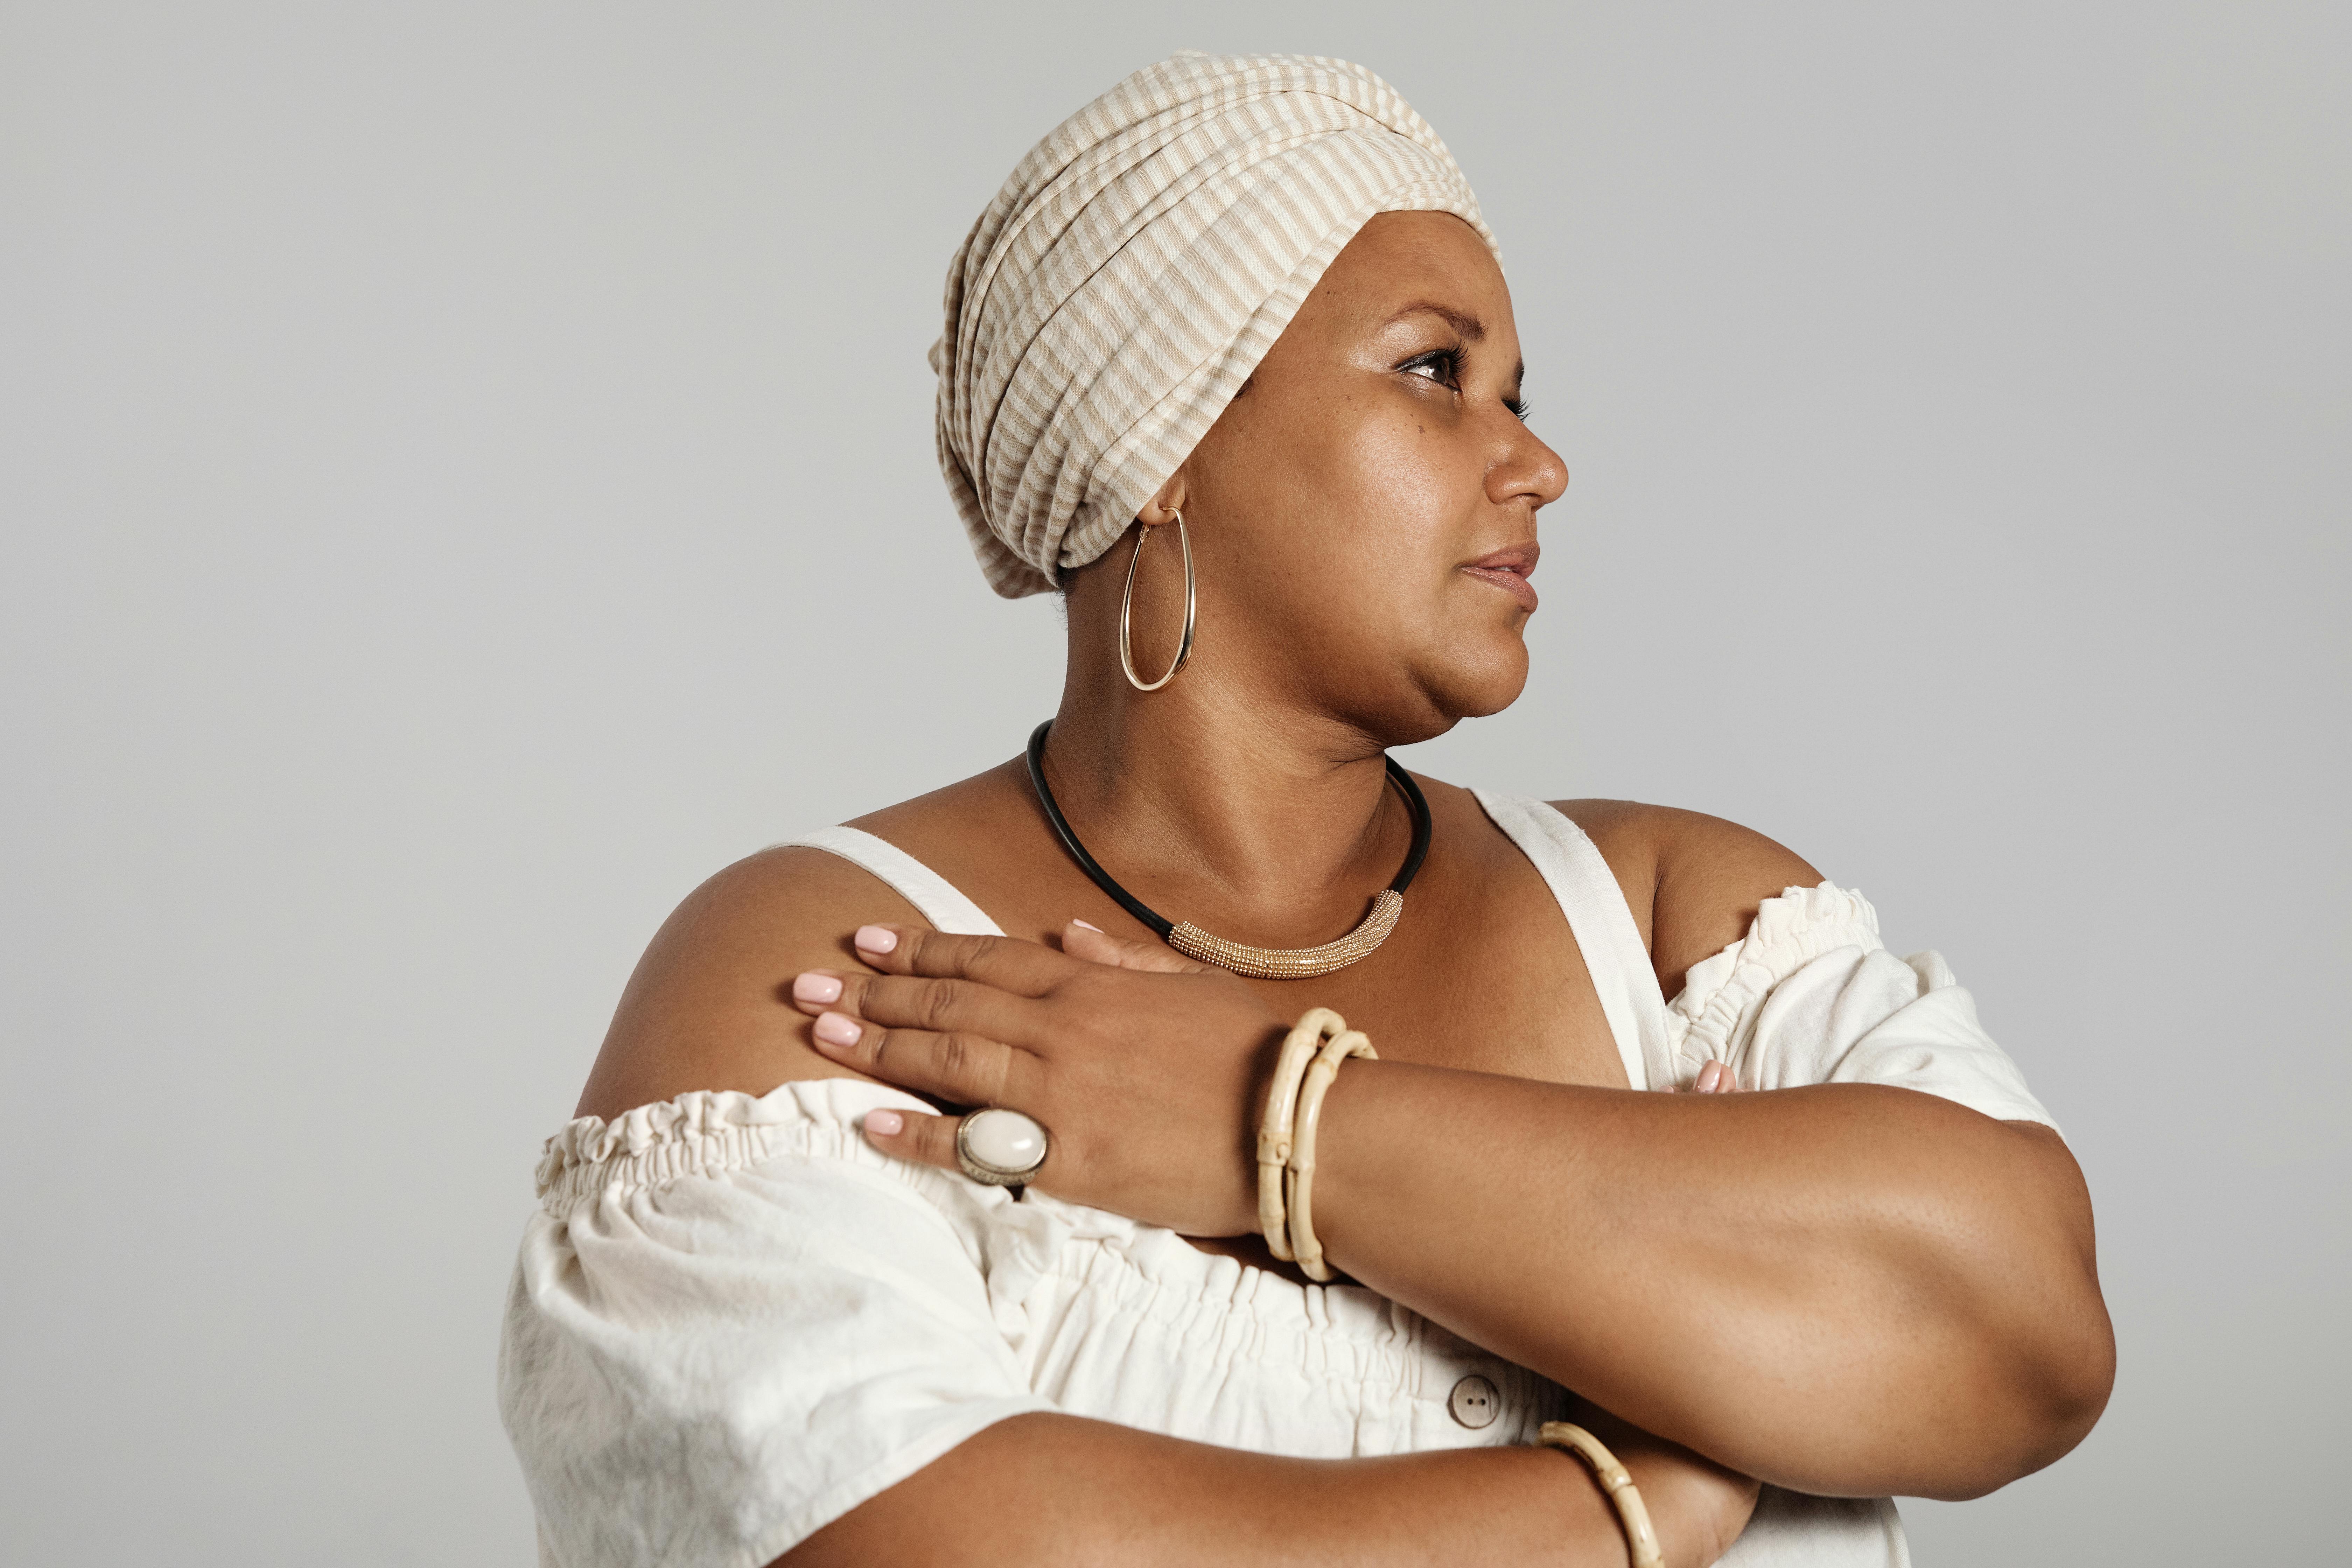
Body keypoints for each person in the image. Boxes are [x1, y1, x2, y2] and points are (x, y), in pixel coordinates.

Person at [499, 51, 2113, 1568]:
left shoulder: (1676, 919)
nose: (1538, 459)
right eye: (1436, 373)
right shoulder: (840, 971)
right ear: (1167, 442)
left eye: (1521, 387)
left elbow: (2025, 1333)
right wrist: (1608, 1514)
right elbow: (861, 1532)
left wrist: (1276, 1119)